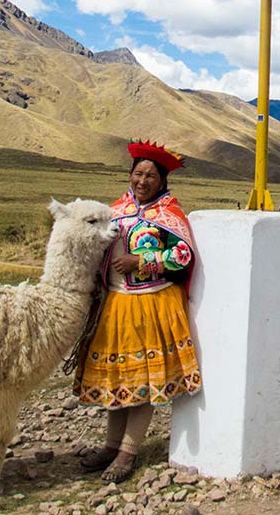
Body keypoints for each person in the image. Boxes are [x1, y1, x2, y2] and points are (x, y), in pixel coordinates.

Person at [67, 140, 201, 483]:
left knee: (142, 381)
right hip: (115, 303)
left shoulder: (168, 215)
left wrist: (141, 260)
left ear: (162, 181)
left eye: (150, 176)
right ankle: (111, 447)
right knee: (119, 379)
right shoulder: (115, 209)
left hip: (151, 304)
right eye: (138, 173)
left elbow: (184, 256)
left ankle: (128, 453)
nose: (142, 181)